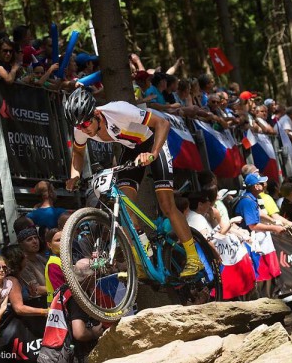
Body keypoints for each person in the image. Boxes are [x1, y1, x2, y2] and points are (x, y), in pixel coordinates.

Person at [65, 88, 202, 277]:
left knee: (166, 204)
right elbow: (78, 153)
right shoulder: (80, 128)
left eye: (86, 123)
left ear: (96, 113)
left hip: (154, 142)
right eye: (79, 126)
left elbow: (162, 123)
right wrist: (75, 176)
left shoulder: (119, 111)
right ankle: (143, 256)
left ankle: (194, 257)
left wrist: (153, 153)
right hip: (132, 149)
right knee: (124, 204)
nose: (84, 129)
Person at [2, 244, 49, 317]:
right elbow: (19, 308)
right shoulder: (12, 280)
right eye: (23, 254)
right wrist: (45, 311)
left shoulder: (18, 277)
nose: (26, 256)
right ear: (17, 259)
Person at [17, 227, 48, 306]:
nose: (34, 241)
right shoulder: (23, 264)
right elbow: (37, 289)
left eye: (35, 238)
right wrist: (57, 288)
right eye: (29, 239)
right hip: (39, 304)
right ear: (21, 245)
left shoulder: (40, 258)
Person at [44, 228, 65, 305]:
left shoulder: (64, 260)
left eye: (64, 238)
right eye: (58, 240)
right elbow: (61, 290)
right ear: (49, 245)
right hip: (58, 307)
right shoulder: (53, 264)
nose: (62, 242)